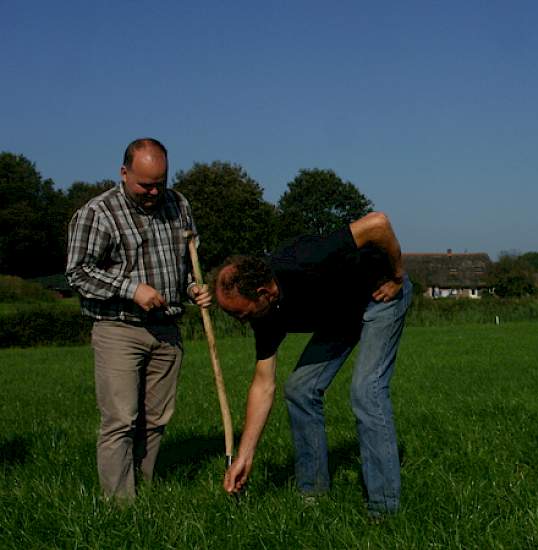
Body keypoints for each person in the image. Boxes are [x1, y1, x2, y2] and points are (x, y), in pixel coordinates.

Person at [214, 212, 411, 518]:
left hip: (380, 295)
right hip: (340, 316)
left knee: (366, 390)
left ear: (263, 294)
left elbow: (378, 223)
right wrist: (245, 456)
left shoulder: (303, 260)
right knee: (299, 389)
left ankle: (384, 510)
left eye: (241, 314)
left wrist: (397, 275)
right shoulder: (265, 315)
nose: (242, 322)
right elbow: (263, 384)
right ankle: (313, 493)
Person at [66, 138, 211, 500]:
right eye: (144, 183)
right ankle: (120, 508)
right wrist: (132, 289)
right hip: (119, 327)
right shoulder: (97, 213)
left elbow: (188, 261)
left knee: (156, 419)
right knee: (121, 420)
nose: (153, 191)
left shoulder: (178, 205)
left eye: (159, 182)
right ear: (124, 172)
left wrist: (194, 288)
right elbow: (78, 273)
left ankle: (142, 492)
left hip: (167, 328)